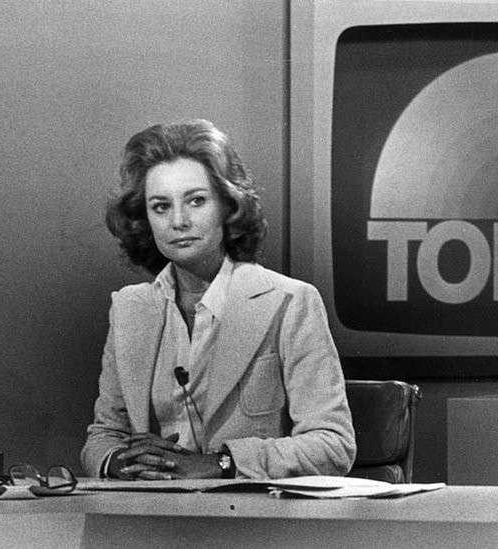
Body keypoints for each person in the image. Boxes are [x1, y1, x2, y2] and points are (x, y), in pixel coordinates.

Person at [81, 119, 356, 480]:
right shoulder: (129, 310)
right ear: (144, 218)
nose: (179, 221)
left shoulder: (290, 302)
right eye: (161, 207)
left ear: (228, 206)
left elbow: (333, 445)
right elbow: (103, 437)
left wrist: (221, 463)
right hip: (152, 509)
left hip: (251, 512)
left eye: (196, 201)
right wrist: (121, 461)